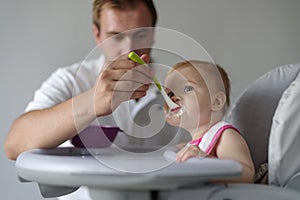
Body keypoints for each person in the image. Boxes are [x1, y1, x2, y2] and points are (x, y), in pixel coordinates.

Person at [5, 0, 189, 161]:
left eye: (140, 35)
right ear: (97, 35)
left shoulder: (182, 85)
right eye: (116, 36)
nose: (129, 50)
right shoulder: (69, 80)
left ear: (153, 33)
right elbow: (15, 145)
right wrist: (93, 101)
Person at [164, 60, 255, 183]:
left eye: (187, 88)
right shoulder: (191, 145)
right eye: (170, 94)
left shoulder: (224, 136)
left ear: (216, 102)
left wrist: (204, 159)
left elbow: (246, 175)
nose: (174, 98)